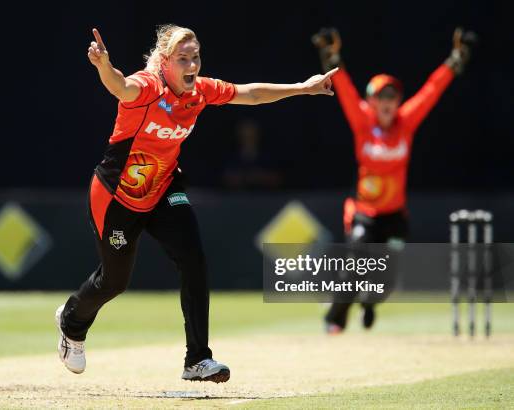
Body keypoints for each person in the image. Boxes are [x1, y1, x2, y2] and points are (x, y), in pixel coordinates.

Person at [55, 24, 337, 383]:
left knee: (194, 260)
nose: (192, 66)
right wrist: (103, 67)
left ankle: (197, 359)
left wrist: (302, 88)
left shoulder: (200, 92)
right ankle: (71, 321)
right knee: (114, 281)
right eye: (183, 59)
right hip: (116, 197)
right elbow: (120, 87)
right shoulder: (148, 87)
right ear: (164, 61)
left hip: (163, 188)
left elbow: (248, 94)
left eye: (196, 58)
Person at [312, 27, 476, 334]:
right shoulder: (362, 121)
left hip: (395, 215)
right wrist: (331, 58)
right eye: (381, 96)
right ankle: (335, 320)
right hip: (364, 211)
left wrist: (455, 60)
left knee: (385, 278)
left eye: (393, 96)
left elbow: (431, 91)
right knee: (356, 266)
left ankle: (371, 303)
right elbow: (344, 91)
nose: (388, 101)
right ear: (371, 101)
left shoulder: (406, 122)